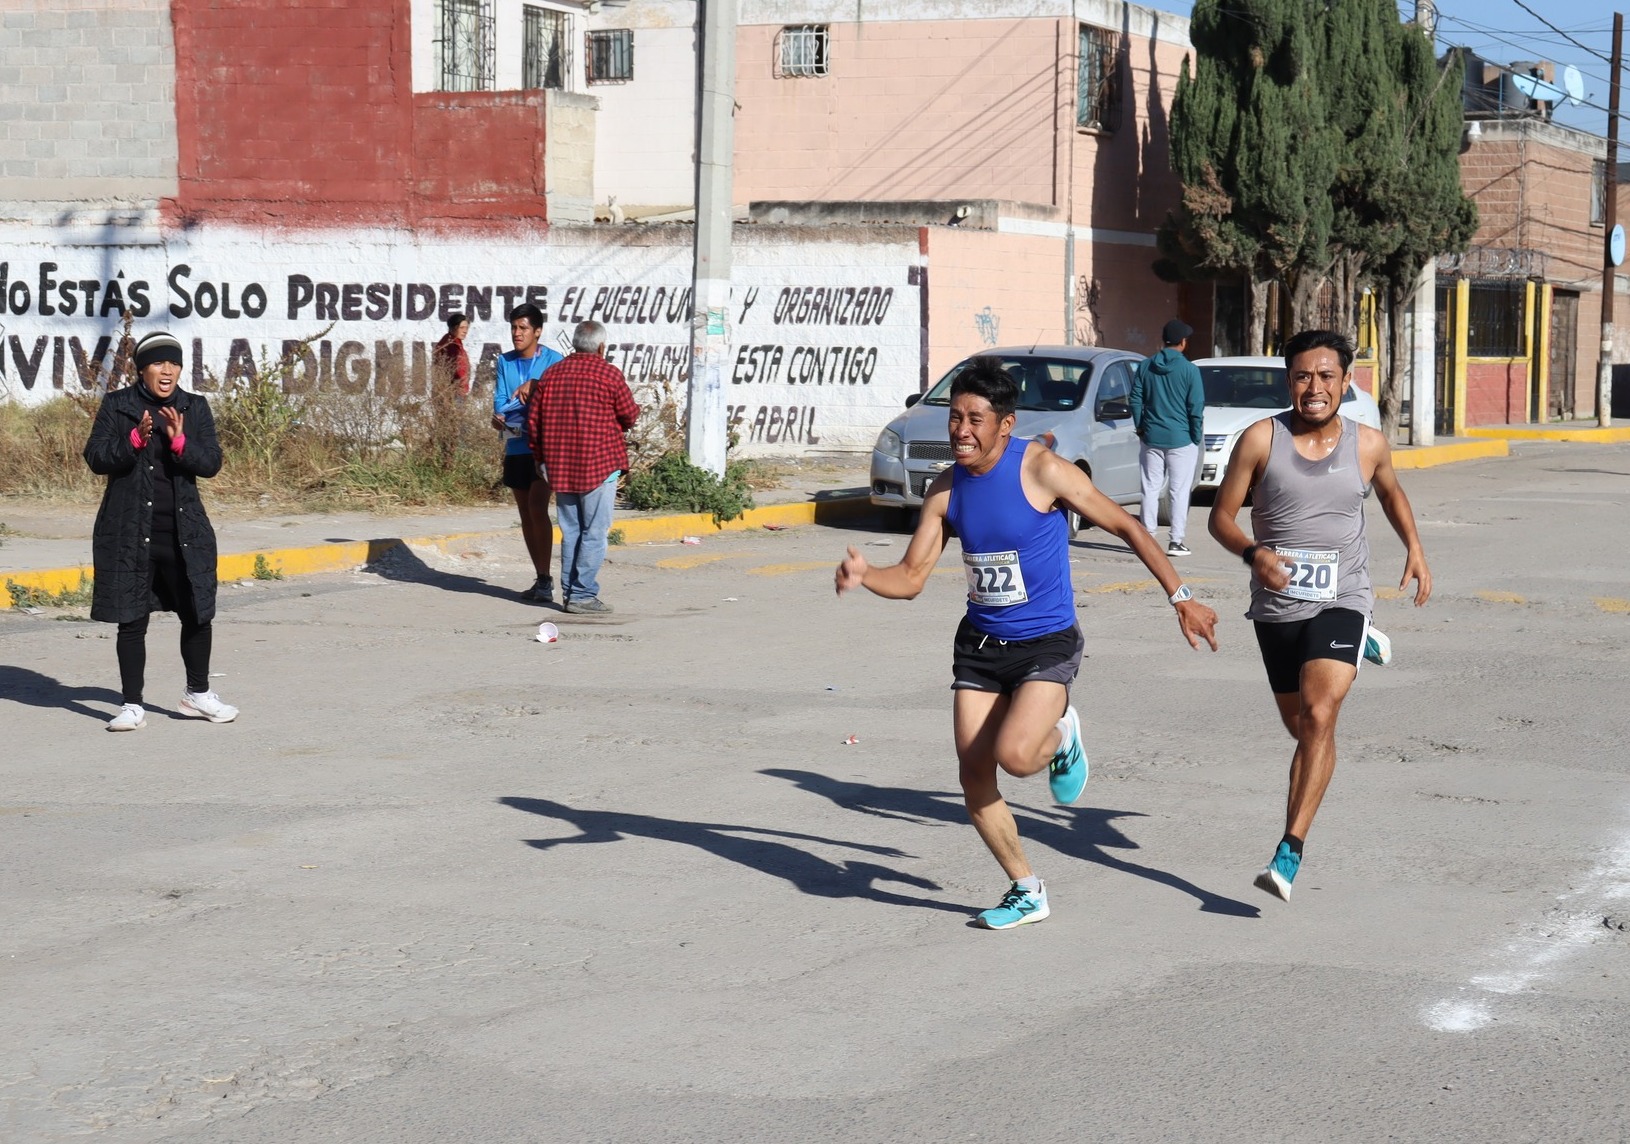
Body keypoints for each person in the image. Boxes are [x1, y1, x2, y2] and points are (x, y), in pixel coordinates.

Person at [834, 356, 1218, 930]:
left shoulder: (1042, 470)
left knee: (1016, 757)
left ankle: (1062, 730)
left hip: (1046, 643)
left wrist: (1181, 596)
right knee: (973, 775)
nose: (961, 430)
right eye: (955, 417)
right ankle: (1026, 887)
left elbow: (1128, 526)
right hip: (981, 647)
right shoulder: (945, 489)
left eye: (975, 419)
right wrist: (868, 576)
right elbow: (911, 579)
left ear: (1005, 425)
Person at [1207, 329, 1430, 903]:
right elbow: (1222, 519)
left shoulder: (1369, 444)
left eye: (1326, 376)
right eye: (1303, 376)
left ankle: (1290, 848)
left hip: (1342, 596)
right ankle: (1360, 646)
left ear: (1345, 381)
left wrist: (1415, 547)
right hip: (1277, 608)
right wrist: (1254, 553)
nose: (1315, 388)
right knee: (1304, 730)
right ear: (1289, 381)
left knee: (1320, 710)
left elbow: (1391, 493)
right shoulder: (1261, 438)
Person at [83, 331, 237, 731]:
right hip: (129, 531)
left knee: (197, 613)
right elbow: (96, 457)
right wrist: (133, 439)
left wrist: (181, 441)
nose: (167, 370)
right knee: (132, 619)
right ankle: (132, 705)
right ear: (142, 369)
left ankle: (197, 695)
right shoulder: (118, 406)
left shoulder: (194, 407)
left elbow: (212, 463)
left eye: (174, 363)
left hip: (183, 531)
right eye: (158, 363)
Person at [525, 320, 639, 615]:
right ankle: (582, 594)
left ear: (574, 344)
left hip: (560, 467)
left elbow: (533, 422)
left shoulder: (552, 374)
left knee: (572, 530)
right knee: (595, 531)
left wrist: (540, 459)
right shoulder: (609, 374)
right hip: (600, 466)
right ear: (601, 346)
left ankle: (570, 592)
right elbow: (629, 415)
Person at [494, 303, 563, 603]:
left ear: (537, 331)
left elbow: (557, 402)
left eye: (523, 328)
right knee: (525, 513)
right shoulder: (505, 362)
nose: (517, 333)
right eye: (513, 327)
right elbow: (499, 401)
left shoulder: (553, 361)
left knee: (538, 507)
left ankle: (547, 579)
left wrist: (535, 387)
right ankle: (541, 577)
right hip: (514, 444)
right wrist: (501, 415)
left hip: (544, 447)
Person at [1130, 318, 1205, 557]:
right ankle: (1176, 541)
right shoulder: (1190, 370)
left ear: (1164, 341)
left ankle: (1147, 538)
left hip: (1151, 436)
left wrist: (1140, 427)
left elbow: (1135, 399)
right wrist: (1194, 435)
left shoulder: (1145, 366)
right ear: (1183, 343)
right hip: (1181, 438)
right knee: (1179, 491)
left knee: (1150, 488)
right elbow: (1196, 406)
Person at [434, 312, 472, 397]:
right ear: (452, 328)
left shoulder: (453, 342)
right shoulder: (451, 345)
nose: (465, 331)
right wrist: (459, 387)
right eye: (462, 327)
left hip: (452, 391)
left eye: (466, 328)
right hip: (452, 392)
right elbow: (454, 370)